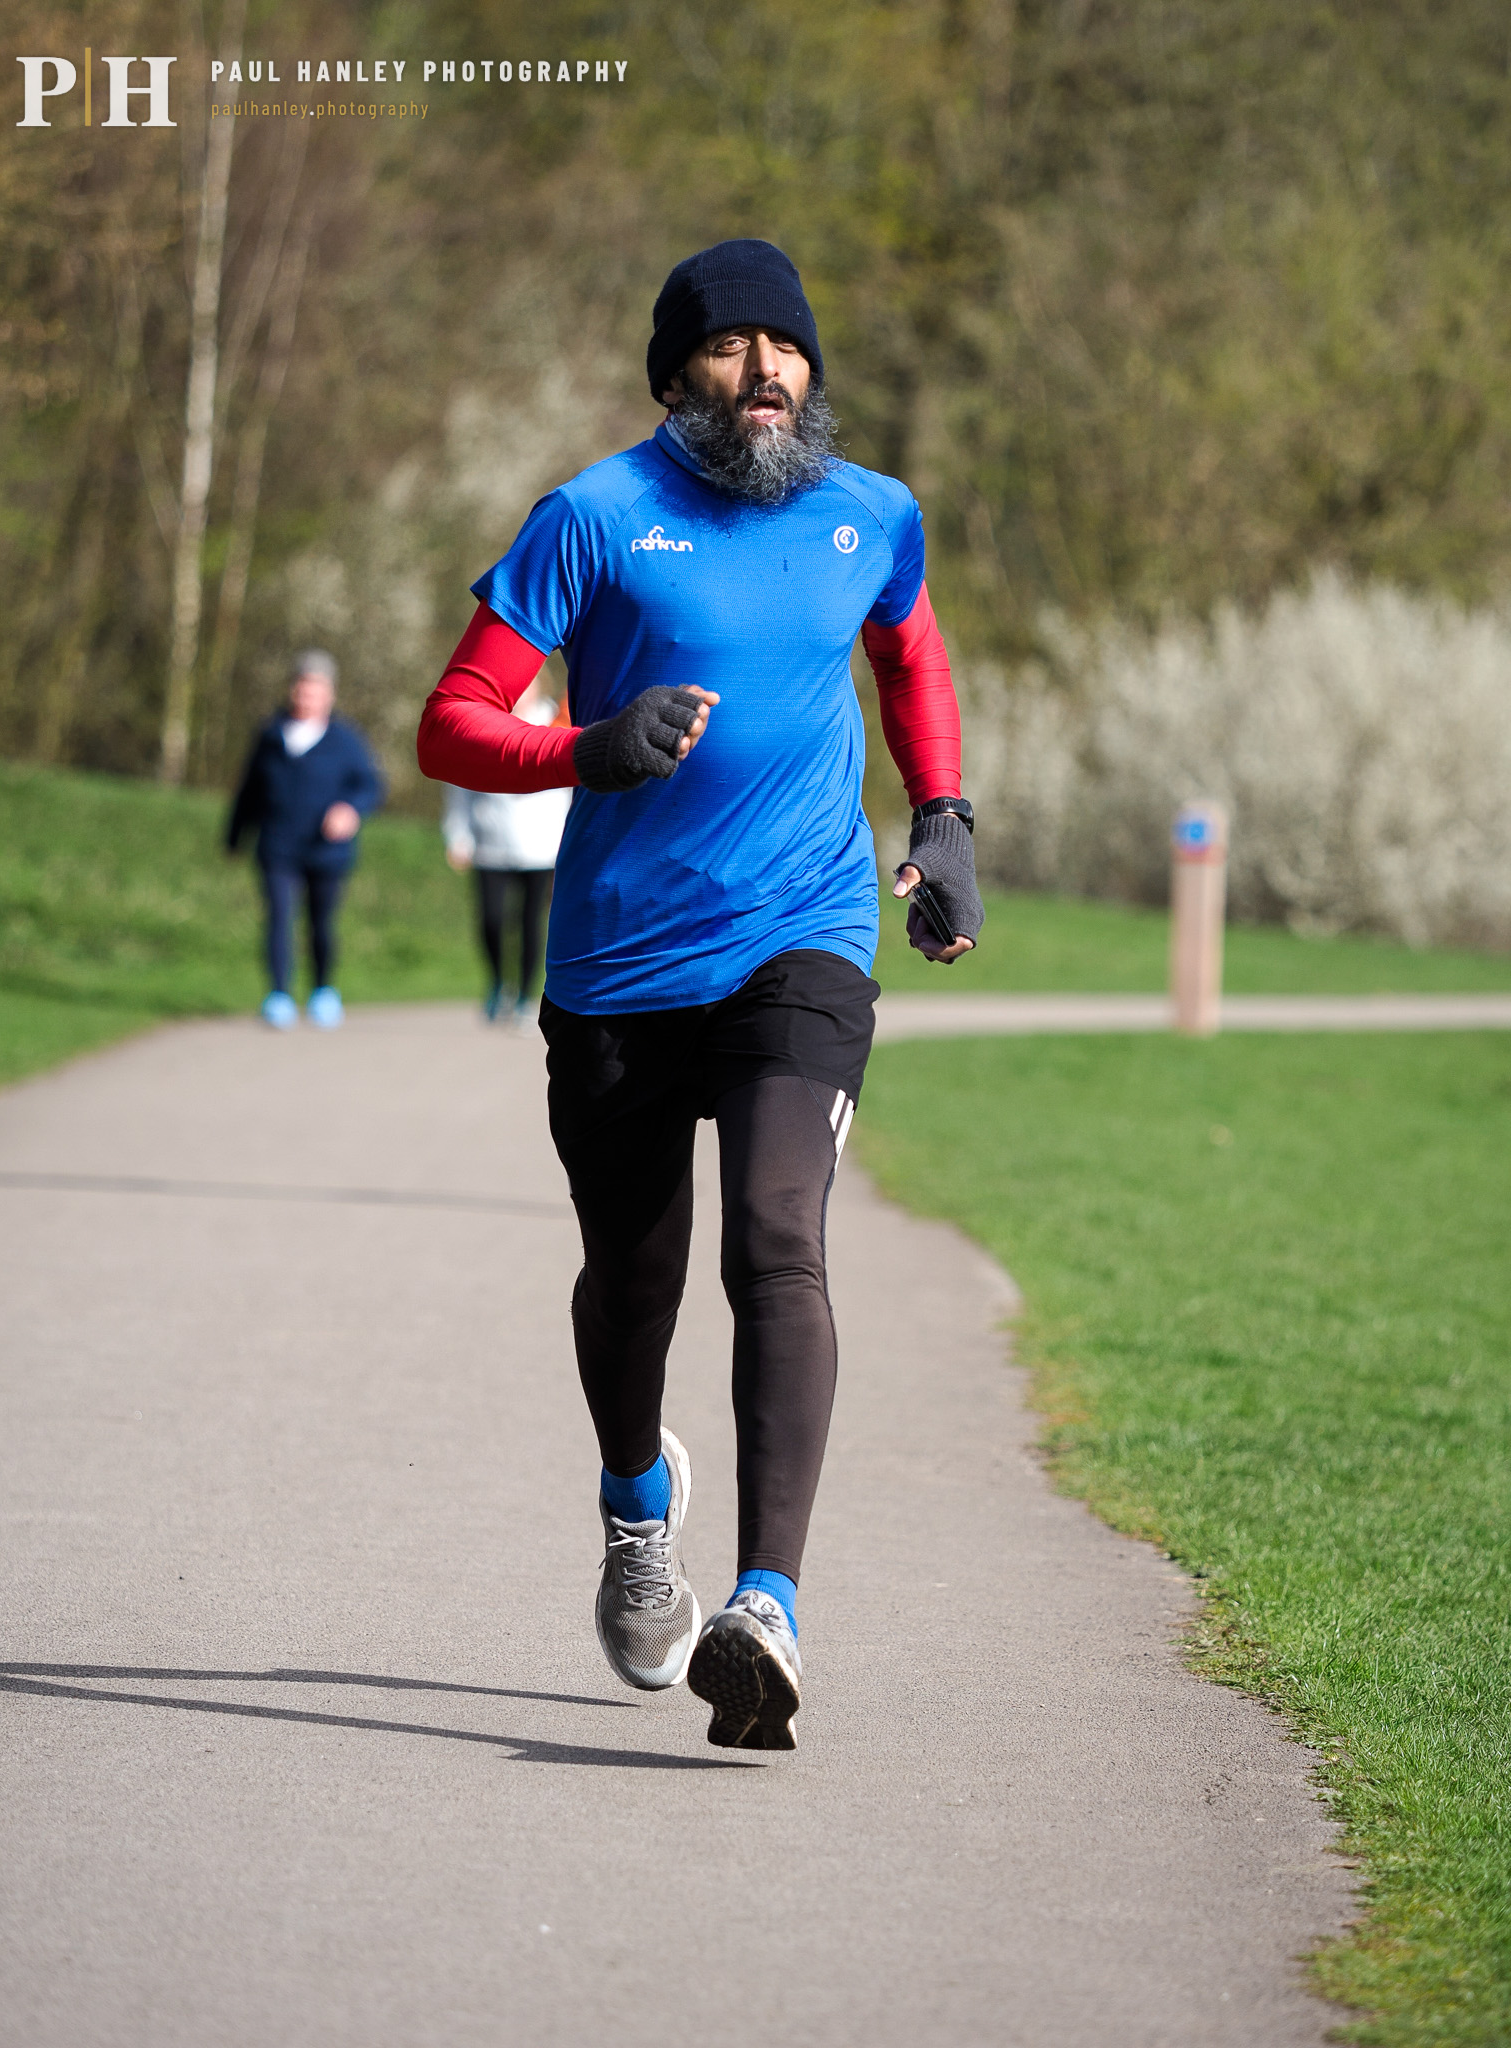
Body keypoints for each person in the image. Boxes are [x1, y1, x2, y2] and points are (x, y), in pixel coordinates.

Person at [417, 239, 982, 1751]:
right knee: (635, 1279)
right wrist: (587, 748)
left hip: (804, 933)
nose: (764, 374)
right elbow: (453, 724)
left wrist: (943, 821)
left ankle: (768, 1605)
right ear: (677, 376)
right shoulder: (593, 517)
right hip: (618, 962)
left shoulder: (875, 517)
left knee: (776, 1239)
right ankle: (634, 1500)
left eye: (784, 349)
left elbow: (911, 652)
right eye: (729, 350)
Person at [227, 650, 385, 1030]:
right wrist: (234, 836)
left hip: (326, 852)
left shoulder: (346, 740)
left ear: (329, 695)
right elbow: (248, 790)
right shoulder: (269, 735)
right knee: (279, 919)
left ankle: (323, 990)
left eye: (315, 691)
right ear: (291, 690)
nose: (306, 697)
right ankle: (279, 995)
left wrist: (349, 808)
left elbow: (371, 785)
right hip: (278, 846)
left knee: (320, 923)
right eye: (301, 689)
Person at [441, 685, 570, 1028]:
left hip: (542, 846)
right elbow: (458, 782)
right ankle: (498, 982)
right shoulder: (484, 721)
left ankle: (527, 996)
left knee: (531, 924)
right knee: (492, 920)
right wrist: (458, 835)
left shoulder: (556, 719)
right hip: (490, 844)